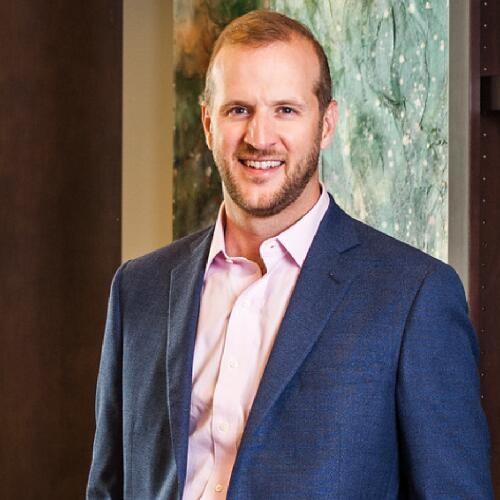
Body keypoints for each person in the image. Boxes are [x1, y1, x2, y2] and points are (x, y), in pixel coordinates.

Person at [87, 10, 493, 499]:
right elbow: (108, 486)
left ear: (326, 124)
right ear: (208, 123)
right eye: (239, 110)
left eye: (285, 110)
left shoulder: (412, 297)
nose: (260, 138)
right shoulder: (138, 289)